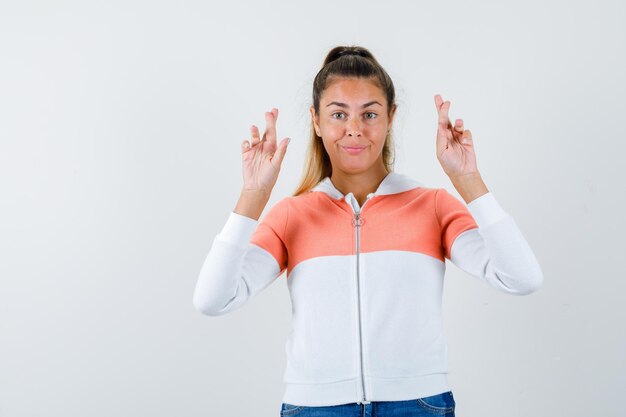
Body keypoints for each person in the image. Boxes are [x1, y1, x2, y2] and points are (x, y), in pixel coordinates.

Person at [193, 45, 543, 417]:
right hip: (315, 408)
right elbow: (213, 300)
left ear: (391, 117)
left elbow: (521, 278)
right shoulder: (292, 215)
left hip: (419, 405)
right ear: (316, 121)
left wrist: (467, 179)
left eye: (370, 114)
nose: (355, 130)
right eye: (338, 114)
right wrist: (253, 197)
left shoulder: (432, 206)